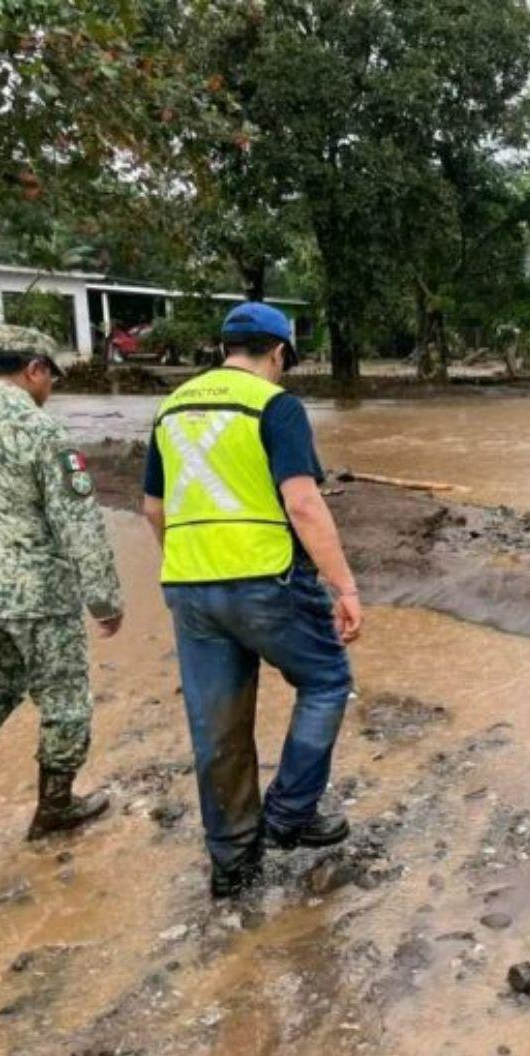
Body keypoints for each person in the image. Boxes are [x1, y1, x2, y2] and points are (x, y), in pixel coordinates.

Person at [141, 302, 364, 901]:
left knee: (218, 725)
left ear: (225, 347)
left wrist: (188, 568)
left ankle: (233, 863)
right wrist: (344, 586)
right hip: (267, 580)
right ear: (280, 353)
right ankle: (289, 815)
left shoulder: (171, 407)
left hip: (189, 585)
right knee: (326, 681)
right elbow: (303, 504)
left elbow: (153, 509)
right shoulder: (275, 405)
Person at [0, 325, 125, 841]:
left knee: (3, 680)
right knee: (65, 697)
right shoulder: (40, 430)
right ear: (34, 369)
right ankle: (55, 807)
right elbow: (78, 521)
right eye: (51, 376)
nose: (50, 388)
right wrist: (103, 599)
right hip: (34, 590)